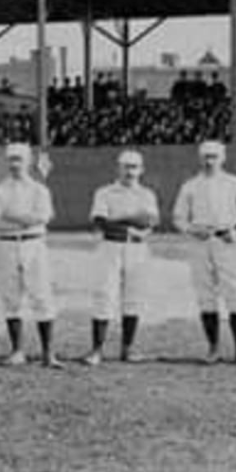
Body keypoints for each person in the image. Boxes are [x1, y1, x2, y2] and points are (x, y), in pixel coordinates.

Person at [172, 140, 236, 364]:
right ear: (199, 158)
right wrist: (191, 229)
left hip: (228, 241)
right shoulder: (190, 185)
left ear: (223, 158)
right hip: (201, 243)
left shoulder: (235, 183)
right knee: (205, 295)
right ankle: (213, 348)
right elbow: (178, 217)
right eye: (206, 156)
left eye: (214, 156)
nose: (209, 161)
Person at [0, 143, 62, 368]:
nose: (15, 164)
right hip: (5, 246)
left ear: (28, 161)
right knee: (10, 297)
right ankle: (17, 351)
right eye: (11, 160)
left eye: (19, 159)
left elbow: (41, 219)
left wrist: (8, 215)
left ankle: (48, 353)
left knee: (42, 295)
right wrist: (23, 220)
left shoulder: (39, 190)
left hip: (34, 245)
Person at [81, 150, 159, 366]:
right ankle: (96, 349)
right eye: (126, 166)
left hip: (137, 249)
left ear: (141, 169)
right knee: (104, 295)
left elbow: (149, 222)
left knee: (134, 298)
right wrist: (131, 220)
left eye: (134, 167)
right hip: (110, 247)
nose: (130, 171)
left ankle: (128, 348)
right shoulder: (105, 192)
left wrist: (119, 218)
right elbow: (101, 222)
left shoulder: (147, 194)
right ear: (118, 168)